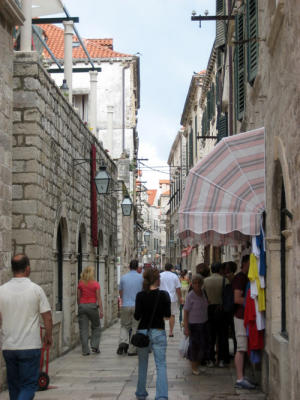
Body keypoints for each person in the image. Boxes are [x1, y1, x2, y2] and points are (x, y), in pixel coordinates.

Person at [0, 254, 53, 399]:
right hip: (30, 346)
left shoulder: (1, 290)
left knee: (14, 386)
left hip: (9, 346)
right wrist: (48, 335)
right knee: (29, 385)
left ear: (12, 269)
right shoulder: (35, 289)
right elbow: (47, 316)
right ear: (28, 269)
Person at [134, 268, 171, 400]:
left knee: (142, 364)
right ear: (157, 279)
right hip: (159, 332)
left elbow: (137, 316)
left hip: (143, 332)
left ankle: (141, 393)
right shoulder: (164, 295)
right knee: (161, 365)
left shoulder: (140, 295)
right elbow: (167, 315)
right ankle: (161, 396)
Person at [232, 254, 255, 389]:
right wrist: (253, 305)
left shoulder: (244, 277)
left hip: (243, 317)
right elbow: (237, 298)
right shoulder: (240, 278)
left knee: (244, 347)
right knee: (241, 348)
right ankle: (240, 379)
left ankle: (242, 375)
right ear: (246, 263)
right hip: (240, 317)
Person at [203, 262, 229, 367]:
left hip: (209, 310)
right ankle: (222, 359)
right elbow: (227, 296)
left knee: (210, 335)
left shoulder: (205, 281)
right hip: (221, 309)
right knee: (222, 335)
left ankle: (210, 359)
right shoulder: (225, 280)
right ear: (220, 270)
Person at [184, 274, 209, 375]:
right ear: (192, 284)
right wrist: (186, 328)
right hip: (193, 325)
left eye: (199, 283)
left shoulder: (203, 293)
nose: (197, 285)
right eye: (195, 283)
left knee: (203, 345)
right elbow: (185, 312)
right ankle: (194, 366)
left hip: (203, 323)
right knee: (194, 346)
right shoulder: (190, 296)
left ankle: (197, 365)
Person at [117, 259, 143, 355]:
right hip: (137, 306)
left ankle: (123, 342)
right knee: (135, 327)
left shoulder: (123, 278)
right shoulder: (141, 278)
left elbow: (120, 292)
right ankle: (132, 350)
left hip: (125, 305)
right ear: (137, 268)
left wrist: (124, 299)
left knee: (124, 326)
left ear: (129, 267)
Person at [77, 265, 103, 355]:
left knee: (83, 329)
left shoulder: (80, 283)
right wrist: (101, 311)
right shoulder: (96, 284)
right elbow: (98, 298)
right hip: (92, 306)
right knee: (96, 326)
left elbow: (78, 297)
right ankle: (95, 346)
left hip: (82, 306)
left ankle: (85, 350)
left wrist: (80, 306)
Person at [159, 263, 183, 337]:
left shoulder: (160, 275)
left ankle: (161, 331)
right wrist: (180, 297)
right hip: (172, 298)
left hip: (162, 298)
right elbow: (178, 288)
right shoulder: (174, 276)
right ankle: (171, 332)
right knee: (172, 315)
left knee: (161, 315)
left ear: (164, 267)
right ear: (171, 268)